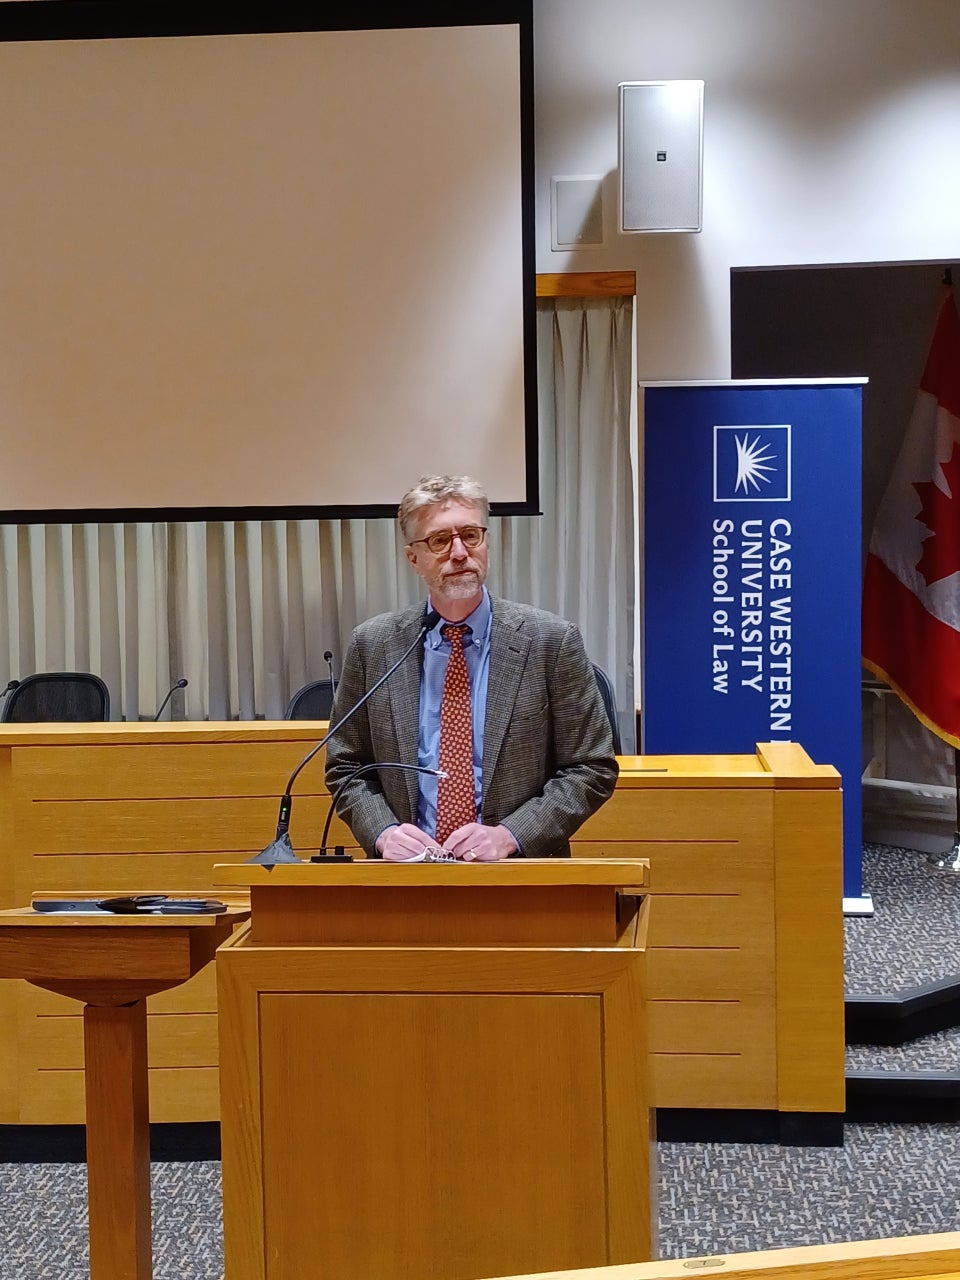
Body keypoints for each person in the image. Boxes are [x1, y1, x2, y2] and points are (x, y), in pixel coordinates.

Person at [324, 475, 618, 860]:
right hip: (406, 877)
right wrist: (384, 832)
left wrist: (512, 835)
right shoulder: (375, 645)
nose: (459, 552)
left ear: (487, 543)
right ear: (413, 558)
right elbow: (346, 766)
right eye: (440, 541)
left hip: (520, 878)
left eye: (471, 535)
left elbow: (591, 766)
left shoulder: (551, 641)